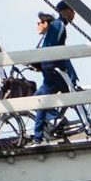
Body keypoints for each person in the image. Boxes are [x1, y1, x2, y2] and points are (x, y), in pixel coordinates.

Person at [30, 10, 70, 146]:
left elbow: (50, 50)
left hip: (53, 74)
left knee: (41, 103)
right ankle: (55, 117)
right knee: (34, 99)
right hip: (50, 74)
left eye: (38, 23)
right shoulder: (48, 34)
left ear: (45, 23)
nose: (36, 26)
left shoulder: (54, 29)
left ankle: (38, 138)